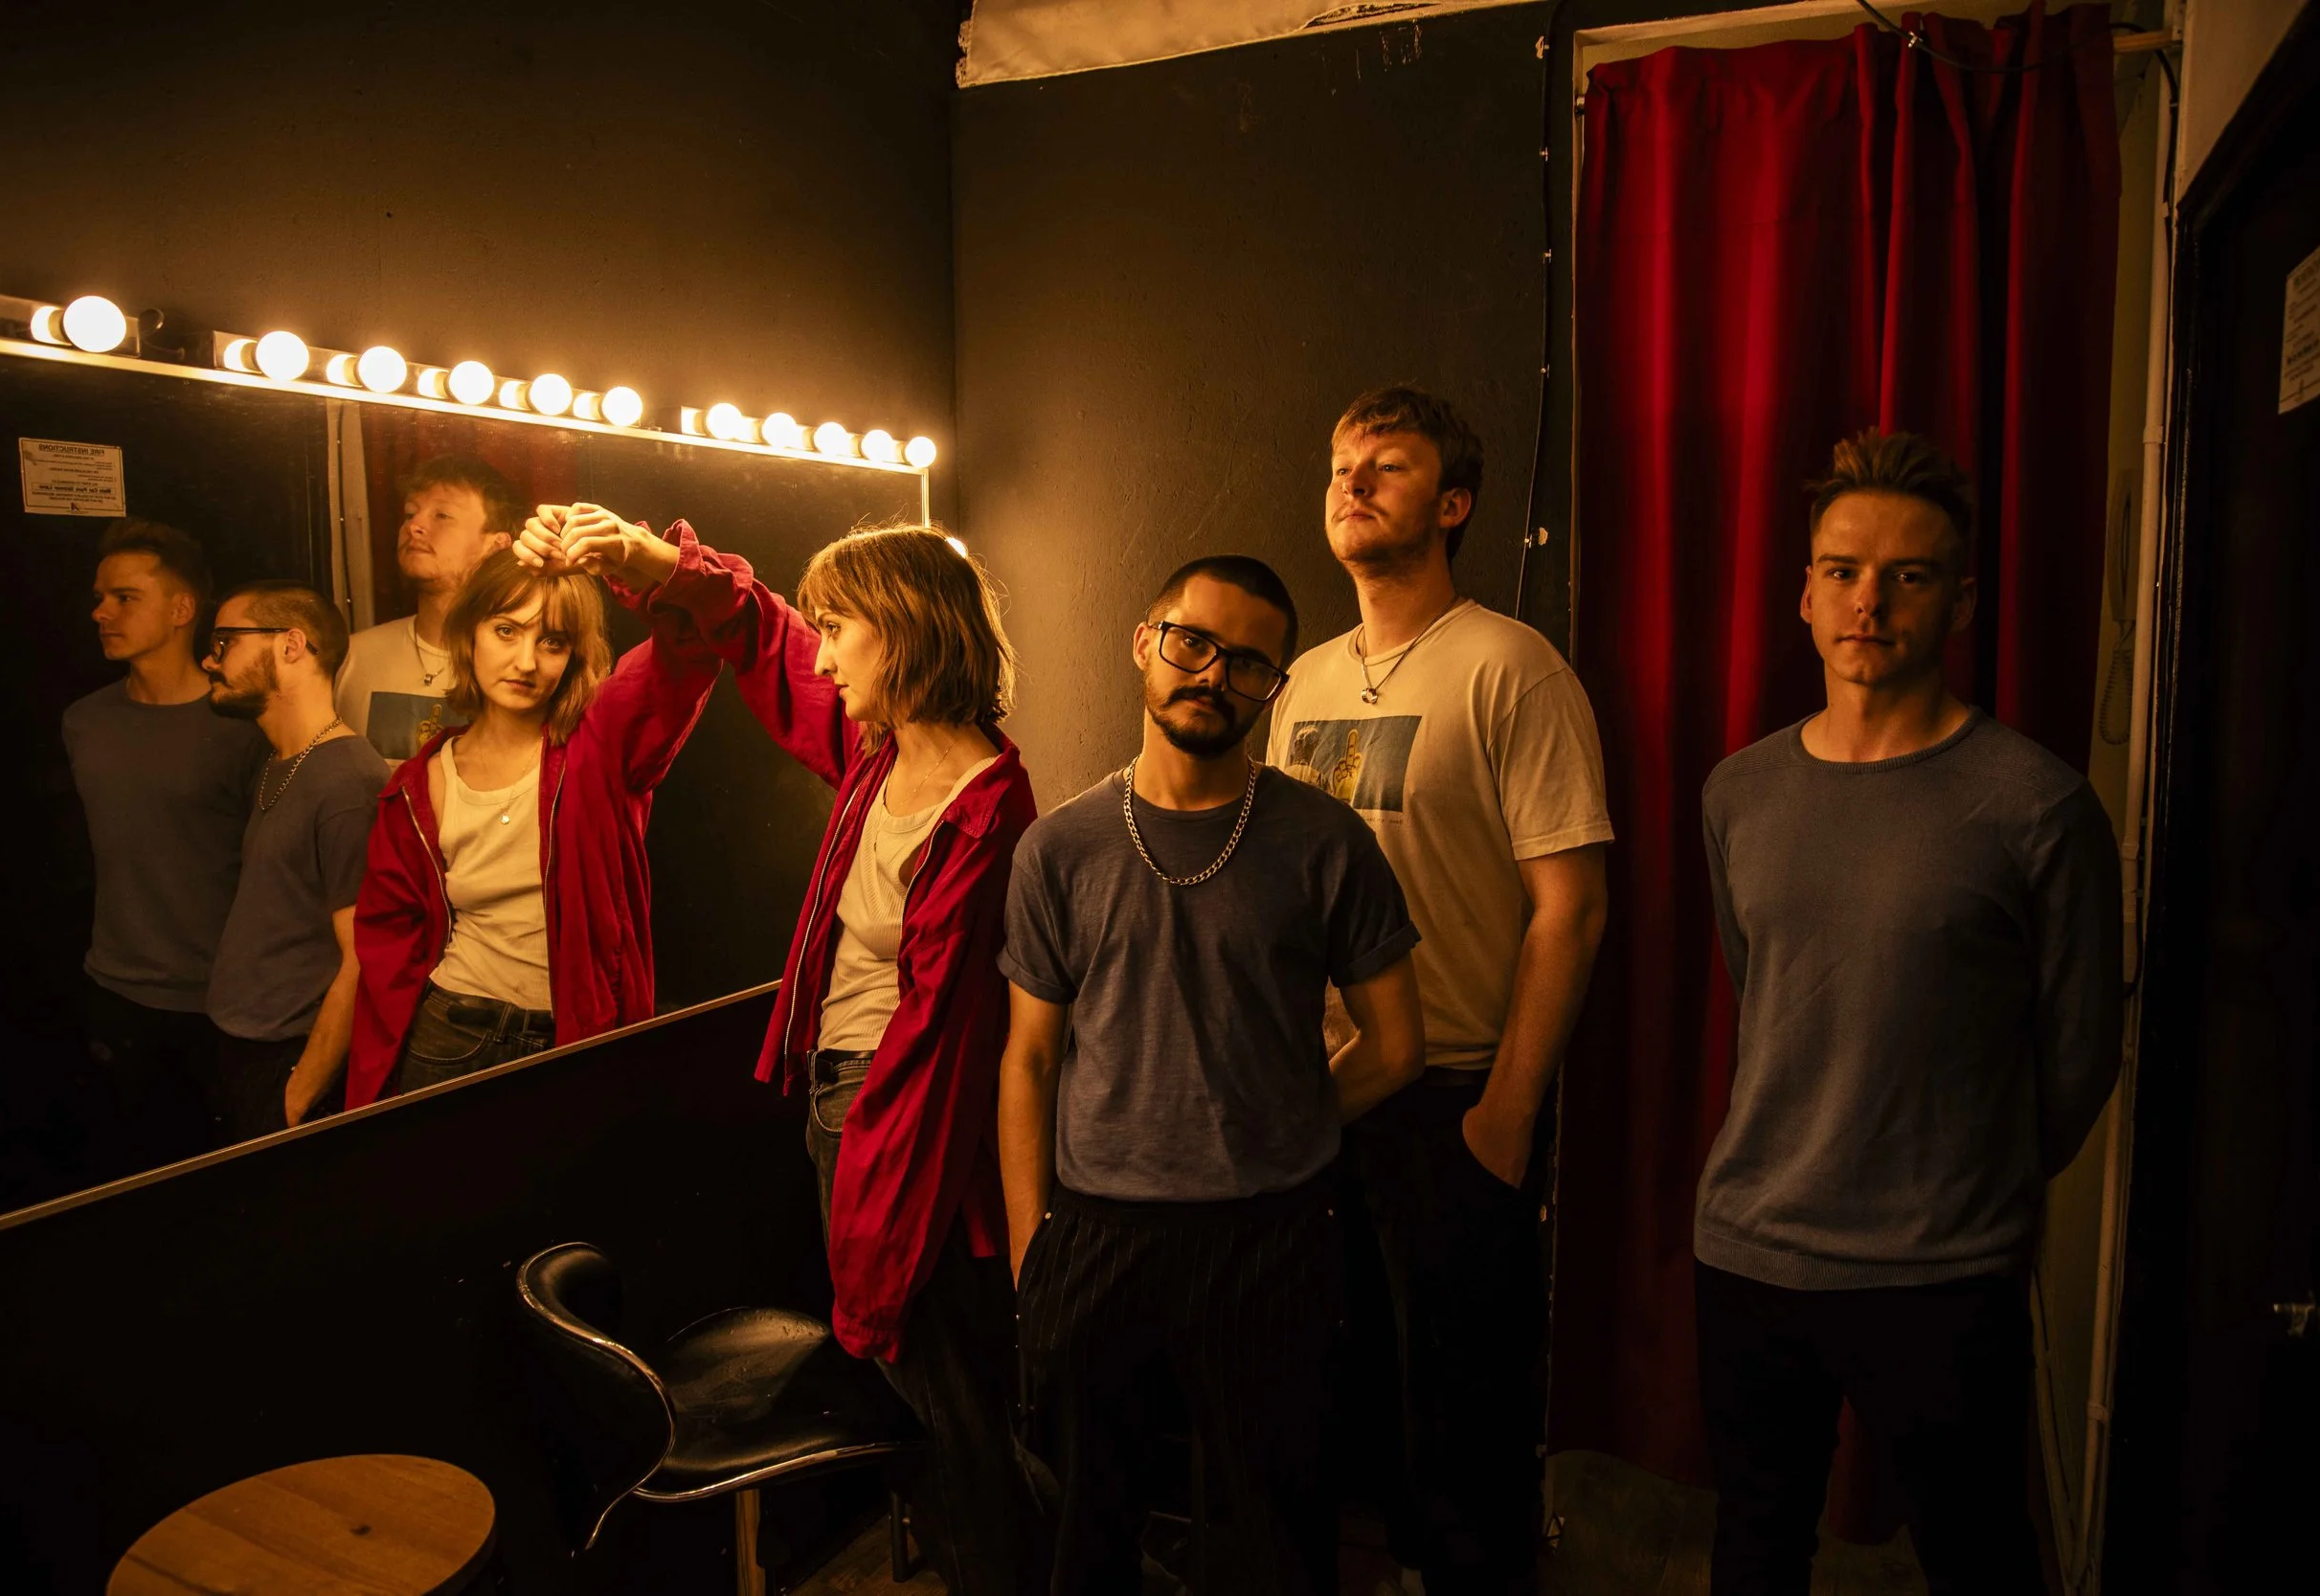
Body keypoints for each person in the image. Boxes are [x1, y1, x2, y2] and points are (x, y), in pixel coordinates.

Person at [513, 505, 1044, 1596]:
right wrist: (646, 558)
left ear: (900, 635)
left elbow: (938, 1041)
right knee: (921, 1386)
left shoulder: (985, 806)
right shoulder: (875, 747)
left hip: (898, 1116)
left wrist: (876, 1203)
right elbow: (754, 631)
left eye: (842, 626)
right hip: (845, 1102)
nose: (826, 649)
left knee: (943, 1392)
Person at [1695, 429, 2121, 1594]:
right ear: (1802, 592)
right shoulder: (1738, 790)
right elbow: (1770, 989)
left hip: (1942, 1270)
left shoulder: (2037, 807)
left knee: (1980, 1556)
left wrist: (1968, 1179)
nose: (1867, 600)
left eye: (1907, 574)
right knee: (1754, 1546)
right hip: (1752, 1250)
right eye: (1840, 569)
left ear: (1962, 600)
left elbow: (2079, 1051)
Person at [1001, 555, 1428, 1595]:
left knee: (1274, 1539)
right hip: (1098, 1234)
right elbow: (1029, 1058)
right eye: (1193, 642)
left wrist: (1285, 1120)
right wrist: (1032, 1251)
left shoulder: (1326, 842)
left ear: (1270, 688)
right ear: (1145, 641)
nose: (1212, 673)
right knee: (1083, 1534)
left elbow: (1398, 1043)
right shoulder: (1060, 848)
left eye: (1247, 663)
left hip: (1270, 1238)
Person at [1269, 387, 1610, 1595]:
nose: (1352, 482)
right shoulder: (1299, 682)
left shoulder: (1513, 668)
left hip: (1453, 1091)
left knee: (1464, 1424)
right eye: (1339, 464)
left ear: (1453, 503)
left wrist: (1507, 1116)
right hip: (1319, 1092)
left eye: (1389, 466)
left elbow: (1570, 906)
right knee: (1345, 1409)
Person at [348, 534, 720, 1105]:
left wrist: (630, 554)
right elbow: (387, 955)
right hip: (449, 1035)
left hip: (572, 1040)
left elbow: (692, 637)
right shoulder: (420, 784)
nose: (526, 662)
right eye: (505, 630)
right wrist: (369, 1095)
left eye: (552, 641)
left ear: (573, 654)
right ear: (469, 634)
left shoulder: (600, 743)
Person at [63, 520, 265, 1174]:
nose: (101, 611)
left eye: (124, 597)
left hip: (224, 1000)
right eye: (100, 596)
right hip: (117, 990)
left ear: (182, 610)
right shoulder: (85, 721)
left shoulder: (241, 726)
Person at [202, 580, 388, 1138]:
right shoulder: (279, 762)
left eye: (226, 641)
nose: (210, 660)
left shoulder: (349, 780)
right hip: (244, 1047)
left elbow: (365, 960)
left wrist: (297, 1096)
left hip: (286, 1062)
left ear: (290, 645)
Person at [336, 455, 525, 763]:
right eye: (410, 513)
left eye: (443, 516)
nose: (414, 526)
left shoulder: (521, 667)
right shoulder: (352, 657)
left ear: (496, 545)